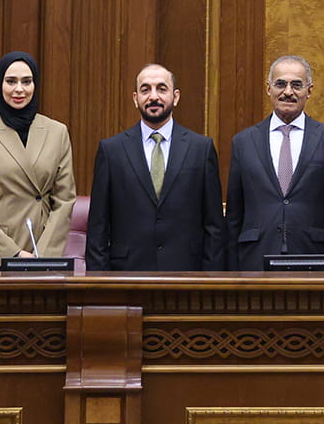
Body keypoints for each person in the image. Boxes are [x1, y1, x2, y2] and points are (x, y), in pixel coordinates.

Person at [85, 63, 225, 271]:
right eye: (145, 90)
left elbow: (213, 225)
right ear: (135, 99)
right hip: (127, 275)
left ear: (175, 97)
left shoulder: (201, 149)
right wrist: (99, 284)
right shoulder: (111, 150)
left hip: (186, 274)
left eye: (161, 88)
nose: (153, 97)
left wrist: (211, 281)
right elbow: (98, 226)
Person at [0, 51, 77, 273]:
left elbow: (65, 199)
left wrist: (42, 257)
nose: (19, 89)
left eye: (27, 81)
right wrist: (14, 255)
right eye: (11, 81)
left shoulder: (57, 132)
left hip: (44, 259)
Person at [227, 55, 324, 269]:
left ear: (309, 91)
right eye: (280, 84)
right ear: (268, 88)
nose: (288, 92)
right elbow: (235, 213)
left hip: (315, 256)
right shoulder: (243, 142)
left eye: (297, 85)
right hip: (255, 256)